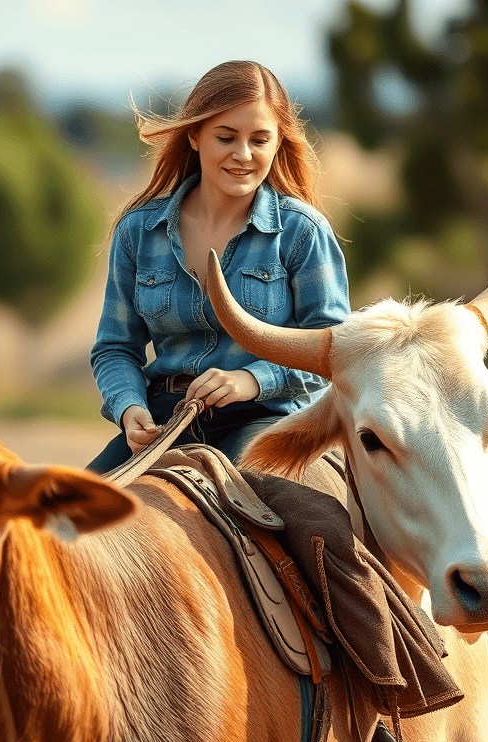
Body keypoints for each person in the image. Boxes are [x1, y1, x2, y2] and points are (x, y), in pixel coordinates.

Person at [87, 60, 350, 474]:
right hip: (164, 419)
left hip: (263, 417)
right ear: (194, 136)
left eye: (260, 140)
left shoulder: (303, 231)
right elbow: (115, 348)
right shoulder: (137, 231)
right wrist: (128, 407)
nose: (243, 155)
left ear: (278, 142)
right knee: (62, 519)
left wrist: (250, 380)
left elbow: (332, 354)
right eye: (226, 137)